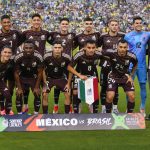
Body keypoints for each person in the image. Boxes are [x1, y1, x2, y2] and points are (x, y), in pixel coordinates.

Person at [42, 40, 87, 114]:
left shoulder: (66, 57)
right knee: (44, 94)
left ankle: (67, 114)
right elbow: (42, 70)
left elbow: (70, 70)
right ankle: (45, 115)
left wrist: (68, 83)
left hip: (61, 78)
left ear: (62, 49)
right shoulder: (46, 56)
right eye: (55, 47)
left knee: (68, 93)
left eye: (59, 47)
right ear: (52, 48)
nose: (57, 49)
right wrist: (44, 83)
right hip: (49, 78)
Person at [21, 13, 51, 113]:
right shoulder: (26, 33)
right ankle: (25, 108)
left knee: (44, 91)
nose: (36, 22)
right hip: (29, 65)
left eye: (38, 20)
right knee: (26, 88)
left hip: (43, 66)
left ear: (41, 21)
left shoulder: (46, 33)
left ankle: (44, 114)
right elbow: (19, 44)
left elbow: (57, 43)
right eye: (34, 20)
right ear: (31, 22)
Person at [48, 18, 76, 113]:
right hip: (58, 62)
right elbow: (52, 44)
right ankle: (56, 105)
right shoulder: (54, 35)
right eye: (63, 24)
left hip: (68, 62)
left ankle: (70, 105)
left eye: (66, 24)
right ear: (59, 25)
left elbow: (75, 45)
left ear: (68, 25)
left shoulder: (72, 35)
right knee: (56, 84)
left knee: (69, 86)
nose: (64, 25)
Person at [74, 17, 101, 112]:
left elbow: (101, 47)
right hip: (81, 64)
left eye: (90, 23)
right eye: (87, 23)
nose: (88, 25)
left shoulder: (97, 34)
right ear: (84, 25)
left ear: (92, 25)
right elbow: (73, 47)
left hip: (92, 64)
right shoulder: (78, 36)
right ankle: (79, 103)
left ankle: (91, 104)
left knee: (93, 88)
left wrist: (98, 50)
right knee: (77, 90)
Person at [124, 16, 150, 116]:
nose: (138, 24)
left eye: (140, 23)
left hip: (142, 65)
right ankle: (128, 108)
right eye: (136, 23)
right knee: (128, 86)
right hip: (130, 65)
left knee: (143, 86)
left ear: (142, 24)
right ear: (133, 24)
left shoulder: (147, 34)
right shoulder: (127, 36)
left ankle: (142, 108)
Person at [99, 18, 125, 113]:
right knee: (104, 86)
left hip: (117, 66)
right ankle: (103, 107)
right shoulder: (103, 36)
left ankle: (115, 107)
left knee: (115, 86)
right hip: (105, 65)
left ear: (118, 26)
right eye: (112, 25)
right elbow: (96, 47)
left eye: (116, 25)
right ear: (108, 26)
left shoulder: (122, 36)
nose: (114, 26)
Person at [104, 39, 138, 113]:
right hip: (113, 75)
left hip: (125, 77)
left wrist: (131, 75)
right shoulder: (111, 53)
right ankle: (108, 115)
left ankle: (129, 114)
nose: (122, 49)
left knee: (132, 96)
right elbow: (99, 53)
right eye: (121, 47)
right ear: (117, 47)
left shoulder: (131, 56)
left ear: (127, 48)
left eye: (125, 47)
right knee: (110, 96)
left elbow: (135, 64)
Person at [70, 39, 103, 113]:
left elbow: (105, 60)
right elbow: (69, 67)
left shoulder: (98, 54)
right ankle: (77, 110)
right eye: (89, 48)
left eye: (93, 48)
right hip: (80, 75)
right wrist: (79, 75)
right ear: (84, 47)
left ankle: (93, 110)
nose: (91, 50)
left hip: (92, 75)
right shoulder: (79, 54)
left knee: (94, 93)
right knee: (75, 92)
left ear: (96, 48)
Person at [0, 15, 22, 114]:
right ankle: (2, 109)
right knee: (2, 87)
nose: (7, 24)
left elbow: (21, 42)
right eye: (4, 22)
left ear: (11, 23)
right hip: (2, 64)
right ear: (1, 23)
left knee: (11, 88)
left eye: (8, 22)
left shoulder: (16, 33)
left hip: (13, 64)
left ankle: (8, 107)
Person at [14, 40, 43, 114]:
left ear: (34, 48)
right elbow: (16, 73)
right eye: (26, 48)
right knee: (19, 94)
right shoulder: (18, 57)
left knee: (37, 94)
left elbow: (40, 73)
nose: (28, 50)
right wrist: (19, 88)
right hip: (22, 78)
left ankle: (35, 114)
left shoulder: (38, 56)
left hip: (33, 78)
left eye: (30, 48)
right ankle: (20, 114)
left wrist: (37, 87)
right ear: (23, 48)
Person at [0, 46, 13, 115]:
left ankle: (7, 113)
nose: (7, 54)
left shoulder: (10, 63)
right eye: (5, 52)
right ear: (1, 53)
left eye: (9, 53)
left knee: (8, 95)